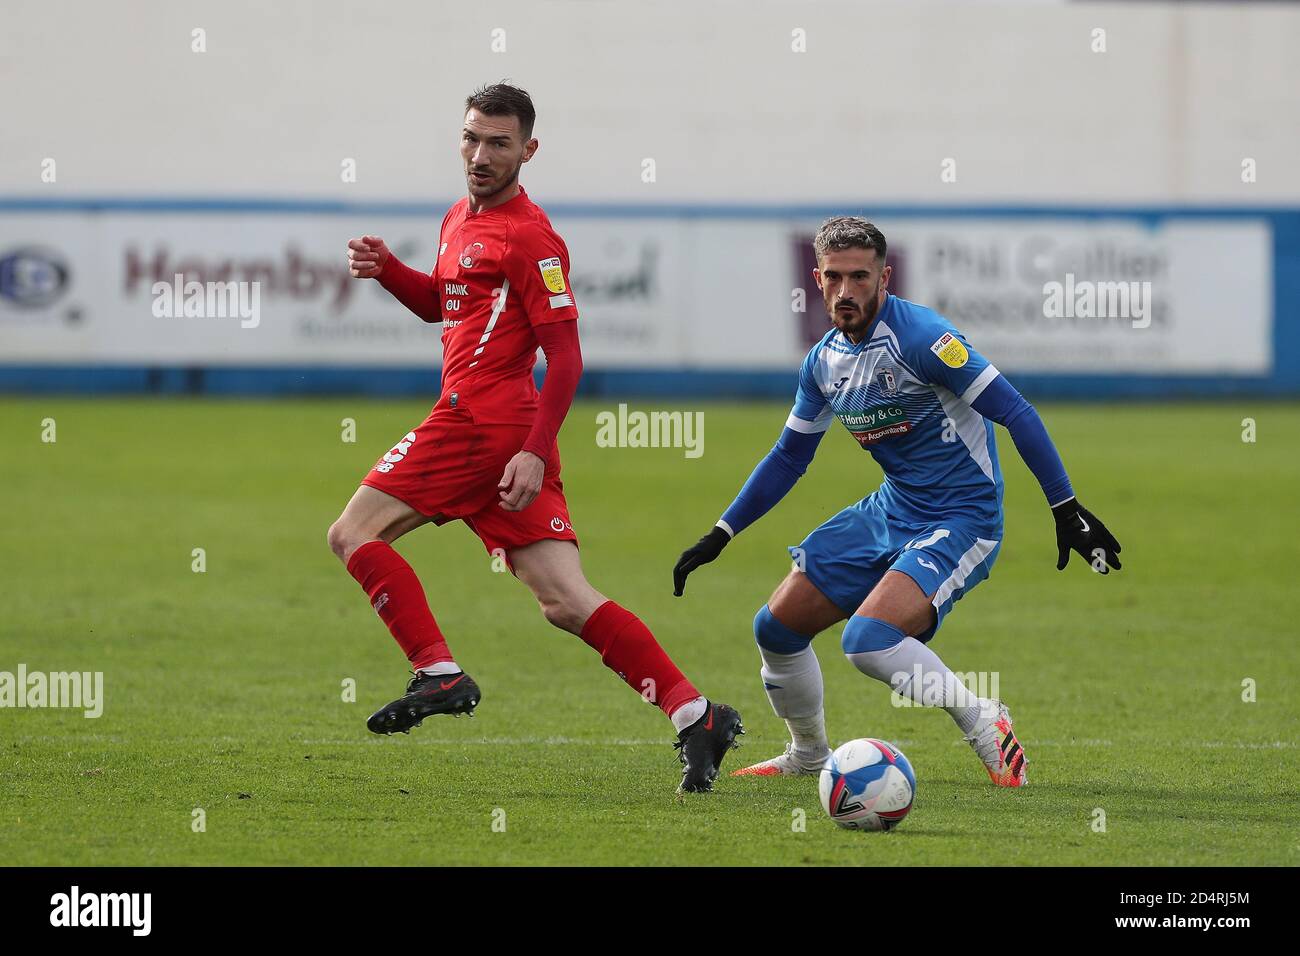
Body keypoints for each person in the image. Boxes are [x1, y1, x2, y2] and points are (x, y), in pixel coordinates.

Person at [330, 83, 742, 793]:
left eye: (498, 142)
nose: (481, 154)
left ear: (529, 149)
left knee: (352, 533)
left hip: (479, 424)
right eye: (471, 138)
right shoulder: (459, 216)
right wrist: (389, 271)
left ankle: (437, 672)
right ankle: (695, 715)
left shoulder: (531, 237)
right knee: (565, 599)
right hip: (502, 434)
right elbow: (444, 303)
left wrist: (529, 448)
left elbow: (569, 355)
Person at [673, 216, 1122, 786]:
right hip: (891, 510)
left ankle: (982, 717)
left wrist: (1065, 508)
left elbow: (1016, 412)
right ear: (816, 278)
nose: (845, 291)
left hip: (962, 518)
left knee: (867, 642)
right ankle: (809, 753)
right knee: (776, 627)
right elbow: (789, 457)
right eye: (834, 277)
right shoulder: (823, 363)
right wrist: (722, 532)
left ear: (885, 277)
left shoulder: (923, 339)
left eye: (860, 276)